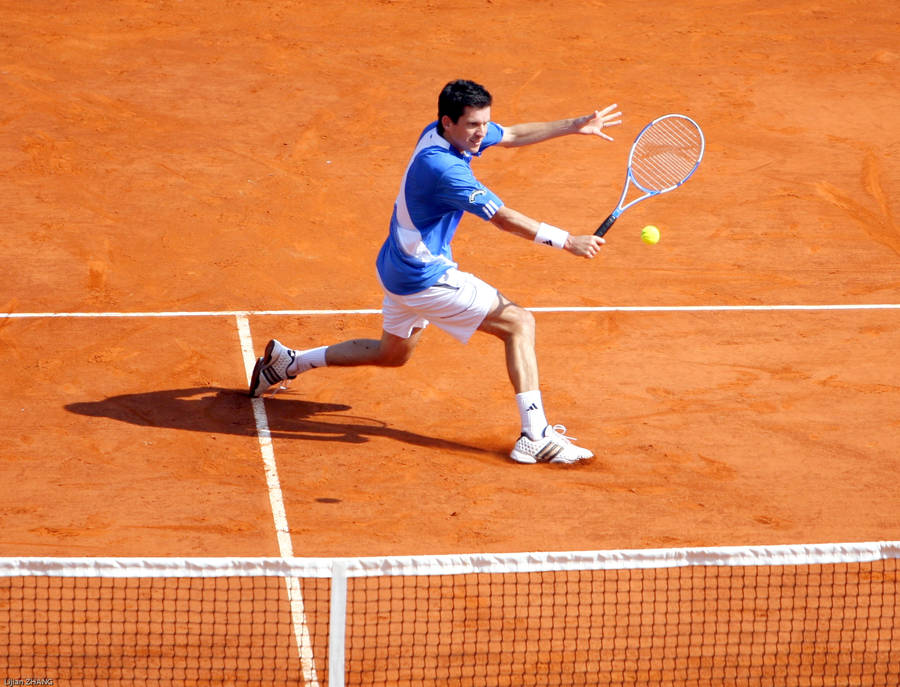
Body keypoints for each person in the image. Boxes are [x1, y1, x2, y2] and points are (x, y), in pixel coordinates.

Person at [250, 79, 621, 464]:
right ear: (448, 121)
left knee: (391, 354)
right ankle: (535, 434)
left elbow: (510, 134)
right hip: (424, 276)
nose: (482, 133)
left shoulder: (439, 135)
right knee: (518, 323)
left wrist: (575, 124)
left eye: (483, 123)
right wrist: (566, 241)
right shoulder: (444, 169)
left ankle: (289, 362)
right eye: (474, 125)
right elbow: (504, 220)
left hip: (395, 266)